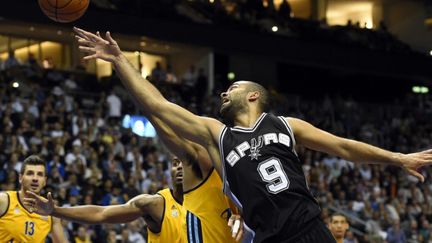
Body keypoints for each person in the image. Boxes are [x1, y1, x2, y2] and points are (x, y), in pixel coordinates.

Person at [72, 27, 432, 242]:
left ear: (254, 95)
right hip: (267, 236)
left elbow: (343, 147)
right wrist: (120, 61)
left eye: (233, 87)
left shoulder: (287, 125)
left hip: (308, 228)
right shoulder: (217, 134)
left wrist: (397, 157)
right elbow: (160, 106)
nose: (223, 93)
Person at [25, 156, 186, 243]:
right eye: (175, 163)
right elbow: (101, 213)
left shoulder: (209, 203)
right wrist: (54, 210)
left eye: (185, 163)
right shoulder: (156, 203)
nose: (179, 167)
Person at [0, 155, 66, 242]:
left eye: (40, 174)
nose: (35, 178)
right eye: (30, 173)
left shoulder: (50, 211)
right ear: (20, 178)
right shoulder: (4, 201)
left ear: (45, 181)